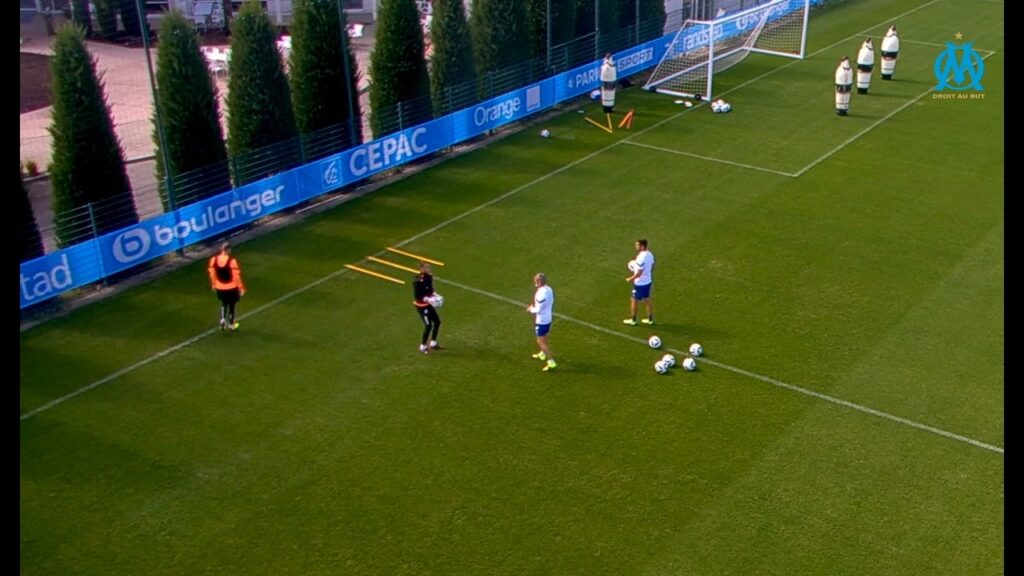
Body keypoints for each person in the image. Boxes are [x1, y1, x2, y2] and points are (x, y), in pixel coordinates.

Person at [208, 242, 245, 331]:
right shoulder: (232, 260)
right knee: (232, 305)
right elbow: (236, 275)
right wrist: (241, 287)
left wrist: (213, 284)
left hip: (220, 287)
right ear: (228, 250)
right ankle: (231, 324)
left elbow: (212, 273)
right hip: (231, 287)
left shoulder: (214, 259)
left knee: (224, 304)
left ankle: (222, 320)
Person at [527, 273, 557, 372]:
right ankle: (542, 354)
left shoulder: (541, 294)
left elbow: (538, 309)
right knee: (542, 339)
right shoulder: (549, 289)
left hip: (542, 321)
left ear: (539, 282)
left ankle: (551, 361)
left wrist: (531, 309)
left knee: (541, 342)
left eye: (535, 280)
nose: (534, 282)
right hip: (548, 318)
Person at [412, 261, 442, 354]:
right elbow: (417, 296)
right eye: (427, 267)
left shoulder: (429, 277)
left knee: (437, 322)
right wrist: (427, 299)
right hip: (421, 306)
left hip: (428, 304)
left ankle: (433, 342)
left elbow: (430, 288)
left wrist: (434, 294)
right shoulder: (418, 281)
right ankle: (423, 346)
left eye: (429, 267)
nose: (429, 269)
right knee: (428, 326)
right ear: (421, 269)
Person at [624, 238, 655, 326]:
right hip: (648, 281)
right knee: (647, 299)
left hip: (640, 283)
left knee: (634, 300)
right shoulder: (650, 254)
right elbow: (652, 265)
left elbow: (639, 272)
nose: (635, 246)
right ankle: (650, 319)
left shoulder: (640, 257)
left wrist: (631, 278)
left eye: (637, 245)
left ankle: (633, 320)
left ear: (641, 246)